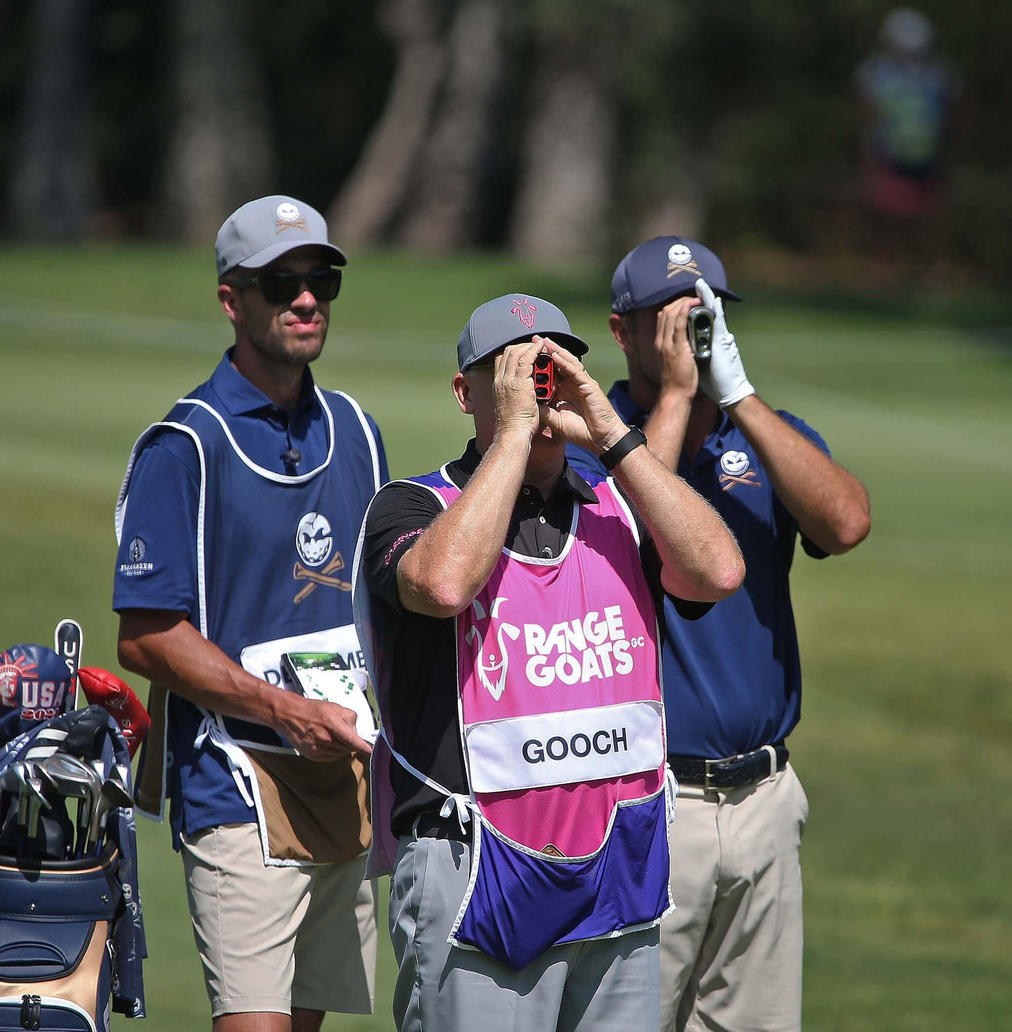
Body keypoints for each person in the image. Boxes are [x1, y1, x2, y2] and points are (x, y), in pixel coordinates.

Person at [356, 293, 745, 1032]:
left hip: (617, 873)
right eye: (512, 369)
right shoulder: (410, 507)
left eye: (552, 364)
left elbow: (718, 571)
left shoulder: (619, 505)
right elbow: (443, 584)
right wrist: (512, 438)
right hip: (479, 874)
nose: (538, 383)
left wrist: (610, 431)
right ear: (465, 392)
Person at [577, 236, 871, 1032]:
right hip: (651, 800)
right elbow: (624, 546)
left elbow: (845, 523)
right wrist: (673, 402)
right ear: (622, 331)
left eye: (702, 314)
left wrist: (738, 397)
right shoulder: (585, 439)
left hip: (765, 797)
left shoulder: (767, 436)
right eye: (666, 318)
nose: (688, 332)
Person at [114, 196, 384, 1032]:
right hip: (233, 784)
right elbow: (147, 636)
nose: (306, 300)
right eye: (281, 283)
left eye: (321, 280)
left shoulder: (359, 433)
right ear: (233, 299)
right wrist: (282, 709)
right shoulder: (184, 444)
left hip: (343, 777)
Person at [855, 8, 958, 280]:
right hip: (889, 156)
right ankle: (889, 274)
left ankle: (924, 274)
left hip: (927, 157)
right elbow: (865, 114)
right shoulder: (876, 73)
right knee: (890, 218)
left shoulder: (938, 74)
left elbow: (951, 114)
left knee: (925, 220)